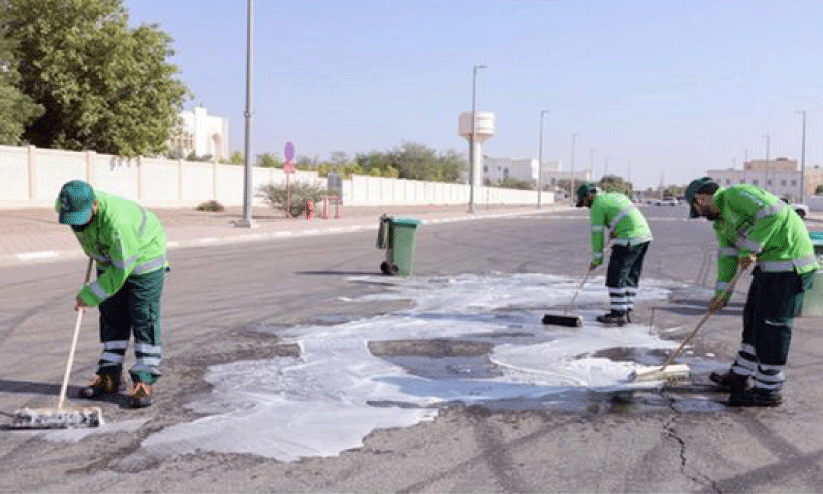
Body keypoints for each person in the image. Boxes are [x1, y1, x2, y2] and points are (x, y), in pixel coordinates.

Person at [685, 177, 818, 407]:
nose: (700, 215)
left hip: (790, 266)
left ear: (700, 198)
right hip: (769, 269)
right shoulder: (721, 224)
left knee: (772, 327)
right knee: (753, 321)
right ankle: (740, 374)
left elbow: (773, 212)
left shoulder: (736, 195)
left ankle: (768, 389)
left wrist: (751, 247)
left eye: (696, 209)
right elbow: (727, 259)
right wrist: (721, 295)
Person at [55, 180, 168, 408]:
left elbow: (121, 270)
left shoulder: (119, 224)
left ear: (94, 205)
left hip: (144, 259)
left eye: (80, 219)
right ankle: (110, 375)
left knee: (143, 316)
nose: (76, 227)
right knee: (111, 314)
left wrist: (90, 295)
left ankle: (144, 381)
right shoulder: (67, 206)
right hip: (111, 256)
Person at [575, 182, 653, 326]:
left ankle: (618, 314)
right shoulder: (614, 196)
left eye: (584, 202)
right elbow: (621, 215)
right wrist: (614, 230)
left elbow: (597, 235)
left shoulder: (597, 205)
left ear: (589, 196)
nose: (586, 206)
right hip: (644, 236)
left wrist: (596, 260)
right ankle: (626, 310)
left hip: (628, 239)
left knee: (616, 276)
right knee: (631, 275)